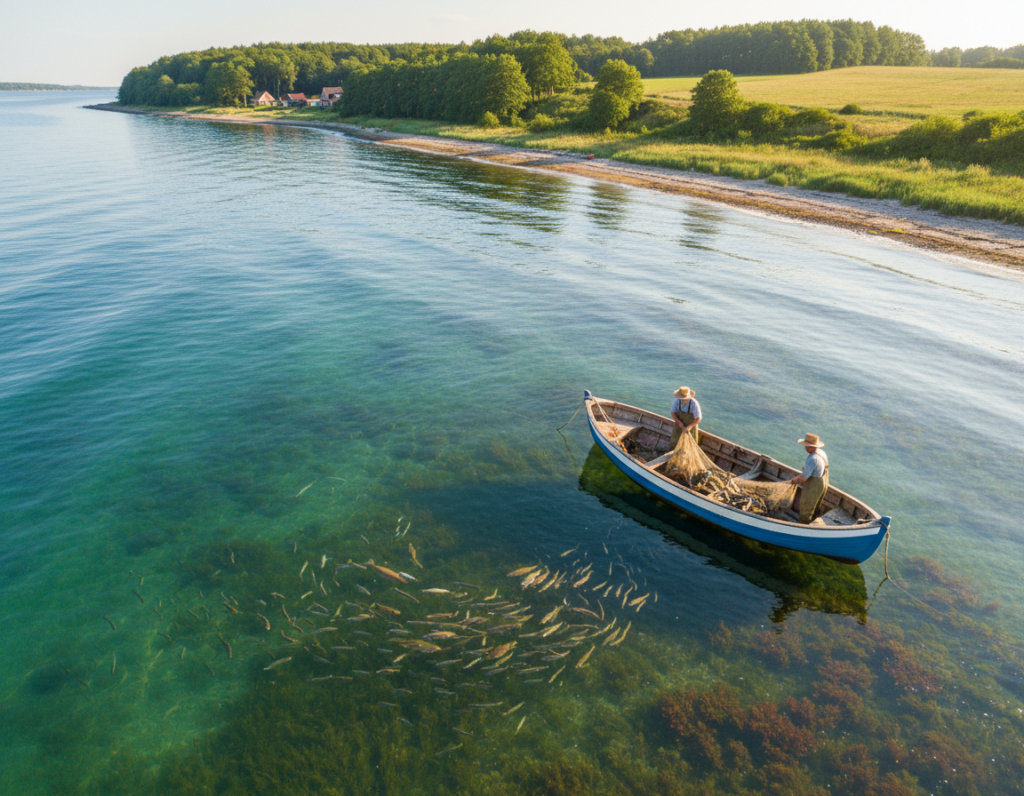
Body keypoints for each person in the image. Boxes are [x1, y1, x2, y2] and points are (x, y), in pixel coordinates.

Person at [790, 433, 829, 524]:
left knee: (806, 507)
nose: (806, 448)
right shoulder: (821, 452)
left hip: (814, 485)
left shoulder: (813, 458)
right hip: (823, 482)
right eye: (806, 446)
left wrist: (793, 480)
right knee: (815, 505)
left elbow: (803, 478)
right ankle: (813, 521)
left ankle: (804, 527)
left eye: (808, 446)